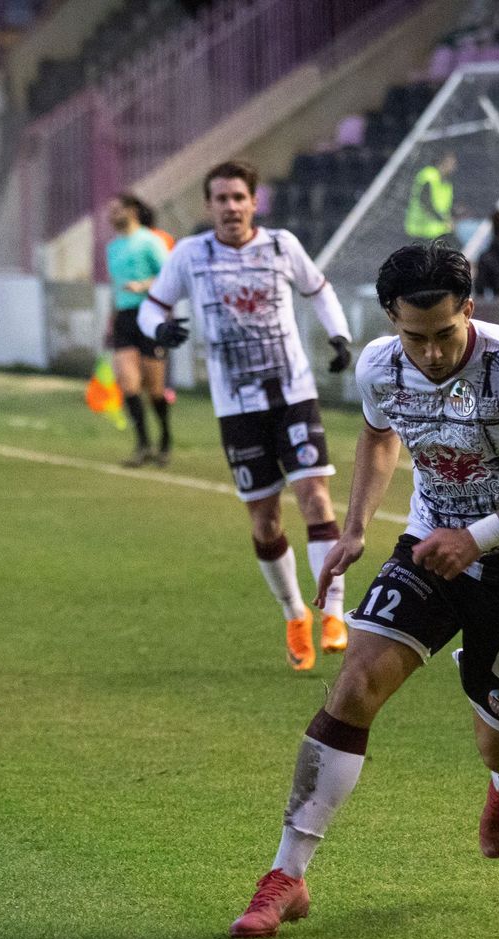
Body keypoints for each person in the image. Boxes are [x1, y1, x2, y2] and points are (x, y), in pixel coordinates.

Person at [227, 241, 499, 939]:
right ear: (392, 319)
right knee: (356, 682)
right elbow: (377, 436)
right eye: (414, 336)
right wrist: (357, 526)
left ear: (470, 310)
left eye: (444, 334)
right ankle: (286, 876)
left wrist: (479, 537)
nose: (429, 353)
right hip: (430, 546)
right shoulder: (380, 364)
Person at [139, 160, 356, 671]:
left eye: (240, 197)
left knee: (315, 497)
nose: (231, 206)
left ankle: (335, 612)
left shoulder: (282, 245)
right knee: (264, 519)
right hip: (236, 403)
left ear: (254, 201)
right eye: (221, 198)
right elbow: (153, 306)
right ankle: (294, 614)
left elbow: (319, 289)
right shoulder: (190, 255)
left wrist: (339, 336)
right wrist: (158, 331)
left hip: (293, 392)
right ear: (209, 205)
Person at [105, 193, 172, 466]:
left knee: (155, 388)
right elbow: (115, 288)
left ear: (131, 211)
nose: (111, 215)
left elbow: (170, 275)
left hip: (149, 315)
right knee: (129, 383)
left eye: (116, 209)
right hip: (124, 318)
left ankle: (165, 439)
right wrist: (110, 320)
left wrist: (143, 285)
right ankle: (143, 444)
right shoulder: (112, 247)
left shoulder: (150, 241)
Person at [405, 151, 457, 245]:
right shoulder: (429, 175)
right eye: (451, 162)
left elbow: (446, 207)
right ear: (442, 161)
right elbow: (425, 201)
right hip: (420, 230)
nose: (454, 166)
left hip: (438, 231)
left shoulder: (447, 183)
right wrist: (443, 220)